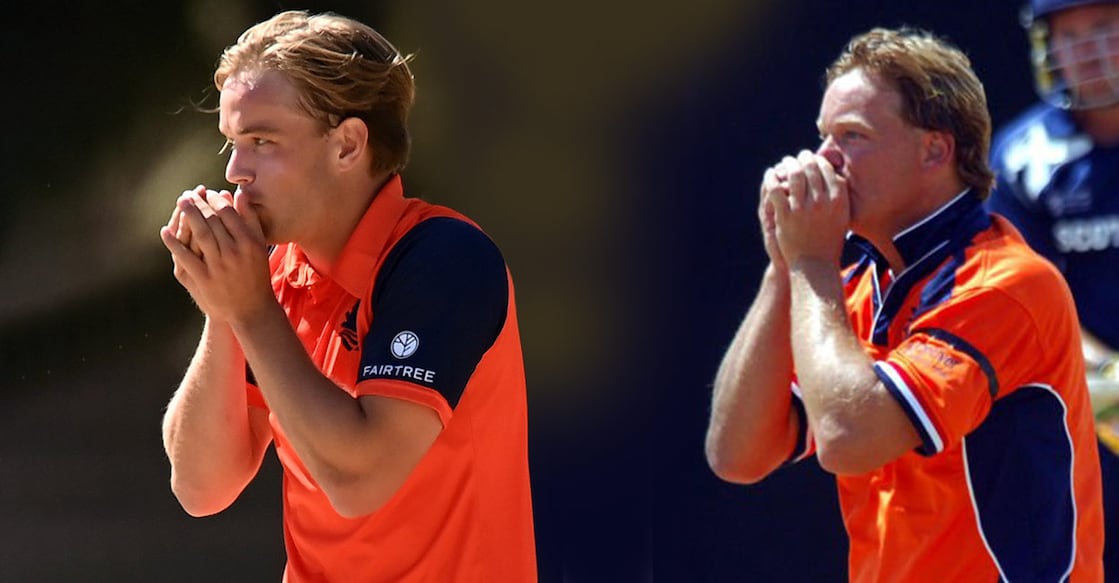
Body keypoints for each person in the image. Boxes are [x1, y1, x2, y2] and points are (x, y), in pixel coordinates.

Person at [705, 27, 1104, 581]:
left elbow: (849, 438)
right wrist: (783, 267)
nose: (824, 159)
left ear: (935, 149)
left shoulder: (1004, 284)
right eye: (822, 135)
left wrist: (811, 267)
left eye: (852, 135)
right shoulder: (854, 283)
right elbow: (737, 455)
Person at [158, 10, 535, 582]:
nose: (236, 170)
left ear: (348, 145)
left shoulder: (445, 258)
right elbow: (201, 486)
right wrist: (224, 305)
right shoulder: (274, 274)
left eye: (262, 141)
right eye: (232, 143)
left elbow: (361, 481)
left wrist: (250, 308)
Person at [988, 0, 1119, 575]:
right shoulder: (1022, 160)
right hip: (1088, 422)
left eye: (1105, 28)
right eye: (1069, 36)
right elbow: (1029, 307)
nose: (1088, 49)